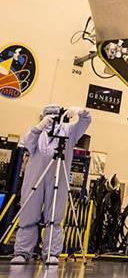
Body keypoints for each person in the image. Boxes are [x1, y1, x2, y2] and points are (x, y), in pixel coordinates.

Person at [11, 105, 92, 265]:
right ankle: (22, 252)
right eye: (49, 115)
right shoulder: (38, 132)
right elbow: (26, 143)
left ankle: (51, 253)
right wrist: (38, 128)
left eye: (56, 115)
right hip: (34, 178)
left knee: (54, 216)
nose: (53, 119)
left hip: (58, 178)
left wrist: (80, 112)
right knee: (28, 215)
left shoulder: (69, 131)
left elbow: (86, 120)